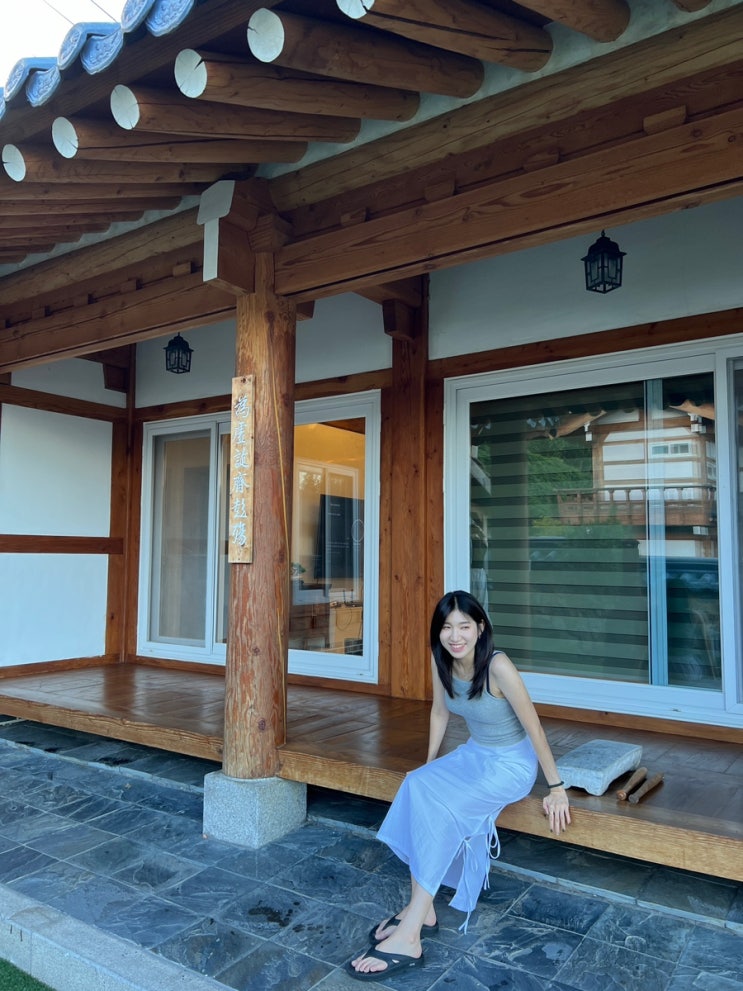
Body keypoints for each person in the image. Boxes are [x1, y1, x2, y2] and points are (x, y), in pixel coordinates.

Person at [346, 589, 571, 982]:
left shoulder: (498, 666)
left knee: (440, 806)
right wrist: (430, 766)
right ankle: (425, 911)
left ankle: (410, 933)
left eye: (464, 626)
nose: (455, 636)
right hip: (475, 753)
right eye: (447, 627)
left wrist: (556, 787)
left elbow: (534, 726)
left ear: (480, 628)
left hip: (510, 764)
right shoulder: (443, 662)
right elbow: (439, 712)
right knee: (417, 785)